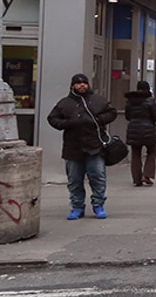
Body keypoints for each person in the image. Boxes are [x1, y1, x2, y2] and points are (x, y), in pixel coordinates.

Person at [47, 73, 118, 220]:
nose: (82, 85)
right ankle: (77, 207)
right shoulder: (65, 103)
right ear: (73, 85)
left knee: (97, 176)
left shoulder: (97, 100)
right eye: (78, 83)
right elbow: (52, 118)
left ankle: (98, 205)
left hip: (94, 147)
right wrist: (67, 124)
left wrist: (99, 120)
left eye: (84, 83)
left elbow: (112, 112)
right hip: (73, 148)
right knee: (74, 180)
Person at [123, 80, 156, 186]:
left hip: (133, 128)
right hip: (148, 129)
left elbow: (127, 116)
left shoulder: (130, 101)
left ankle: (136, 179)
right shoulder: (150, 101)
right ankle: (147, 174)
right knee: (151, 152)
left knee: (136, 154)